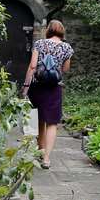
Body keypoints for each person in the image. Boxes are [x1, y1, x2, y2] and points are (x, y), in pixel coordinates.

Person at [23, 19, 74, 168]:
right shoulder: (67, 48)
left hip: (37, 86)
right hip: (54, 87)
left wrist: (26, 86)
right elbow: (65, 70)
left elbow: (32, 66)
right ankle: (46, 158)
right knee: (52, 122)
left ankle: (40, 150)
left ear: (48, 30)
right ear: (62, 31)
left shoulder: (39, 44)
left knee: (40, 118)